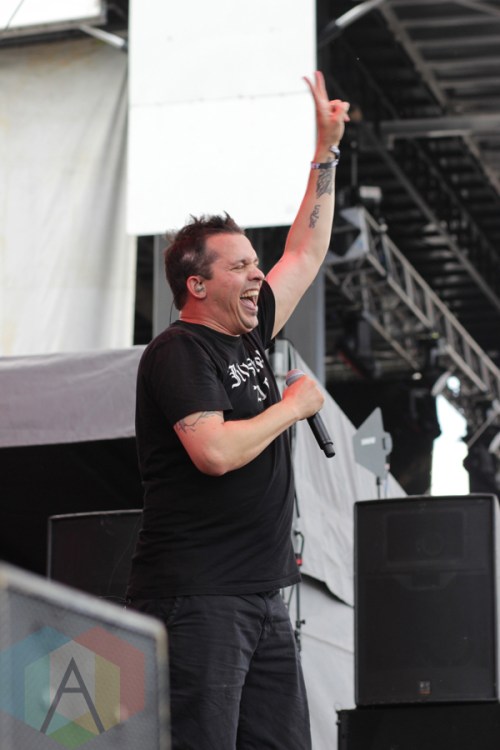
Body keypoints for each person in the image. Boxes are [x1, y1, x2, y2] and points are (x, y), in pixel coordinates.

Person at [126, 71, 350, 750]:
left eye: (256, 263)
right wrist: (293, 405)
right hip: (199, 595)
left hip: (260, 595)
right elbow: (215, 452)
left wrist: (326, 151)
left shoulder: (251, 335)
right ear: (197, 285)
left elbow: (305, 250)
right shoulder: (180, 351)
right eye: (240, 267)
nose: (258, 274)